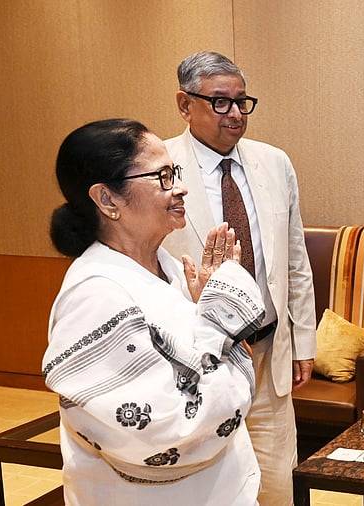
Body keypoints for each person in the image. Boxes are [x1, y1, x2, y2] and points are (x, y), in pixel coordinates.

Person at [43, 119, 264, 505]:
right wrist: (217, 320)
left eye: (174, 172)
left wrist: (209, 314)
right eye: (162, 176)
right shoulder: (95, 296)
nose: (181, 187)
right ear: (108, 200)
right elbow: (168, 432)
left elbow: (216, 361)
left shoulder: (170, 266)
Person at [161, 51, 316, 505]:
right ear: (184, 104)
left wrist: (303, 341)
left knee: (276, 483)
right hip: (197, 359)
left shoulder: (274, 162)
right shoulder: (160, 168)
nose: (234, 114)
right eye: (220, 102)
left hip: (269, 352)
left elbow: (294, 261)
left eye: (241, 102)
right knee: (212, 485)